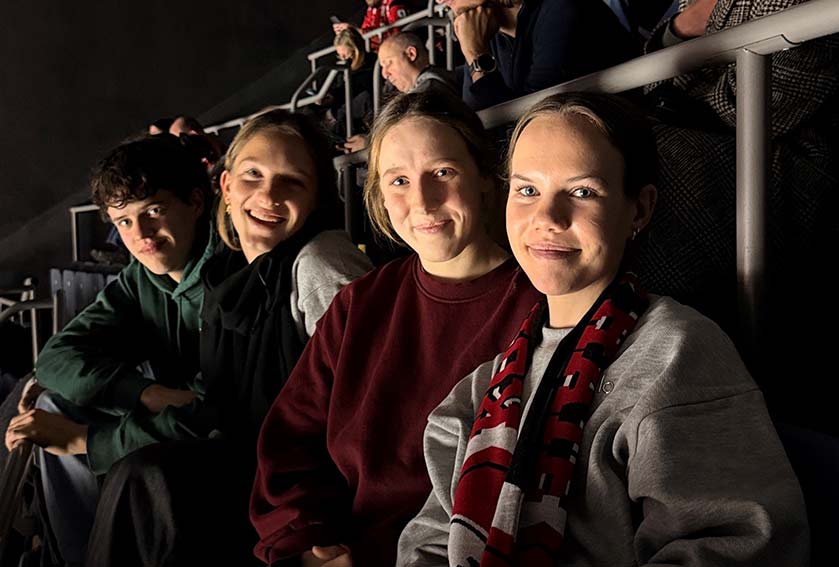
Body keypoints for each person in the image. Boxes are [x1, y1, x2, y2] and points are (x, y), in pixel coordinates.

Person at [397, 92, 808, 566]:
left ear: (639, 209)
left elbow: (740, 548)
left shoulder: (679, 354)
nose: (547, 218)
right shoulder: (485, 383)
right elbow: (429, 540)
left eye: (582, 192)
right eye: (527, 190)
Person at [250, 92, 542, 567]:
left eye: (443, 173)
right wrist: (307, 541)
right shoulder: (359, 303)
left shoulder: (539, 305)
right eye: (400, 181)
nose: (422, 202)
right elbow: (290, 441)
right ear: (381, 197)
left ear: (487, 181)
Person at [84, 109, 373, 567]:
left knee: (148, 477)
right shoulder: (232, 268)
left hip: (307, 494)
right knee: (141, 478)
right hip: (257, 469)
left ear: (317, 196)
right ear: (226, 187)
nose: (267, 195)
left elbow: (372, 413)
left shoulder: (320, 263)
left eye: (292, 181)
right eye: (252, 175)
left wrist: (329, 532)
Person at [637, 0, 839, 436]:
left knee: (622, 194)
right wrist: (683, 28)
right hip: (727, 142)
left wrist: (697, 26)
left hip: (814, 165)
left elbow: (769, 88)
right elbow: (655, 70)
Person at [4, 135, 216, 565]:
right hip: (178, 420)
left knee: (65, 421)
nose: (141, 236)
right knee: (47, 400)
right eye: (123, 222)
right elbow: (55, 357)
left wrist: (87, 441)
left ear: (196, 202)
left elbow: (218, 415)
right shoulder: (143, 278)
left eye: (153, 212)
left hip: (226, 451)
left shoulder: (233, 273)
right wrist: (144, 393)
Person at [437, 0, 637, 110]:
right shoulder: (482, 32)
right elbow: (478, 121)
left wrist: (475, 53)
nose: (439, 0)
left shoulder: (561, 6)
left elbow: (533, 116)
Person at [343, 32, 458, 154]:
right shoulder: (435, 81)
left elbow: (411, 139)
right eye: (382, 67)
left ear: (411, 54)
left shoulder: (429, 89)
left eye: (389, 63)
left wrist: (369, 143)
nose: (385, 74)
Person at [333, 0, 412, 51]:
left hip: (398, 53)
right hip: (378, 55)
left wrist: (358, 31)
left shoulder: (394, 4)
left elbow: (398, 37)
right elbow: (365, 31)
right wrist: (349, 32)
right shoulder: (372, 8)